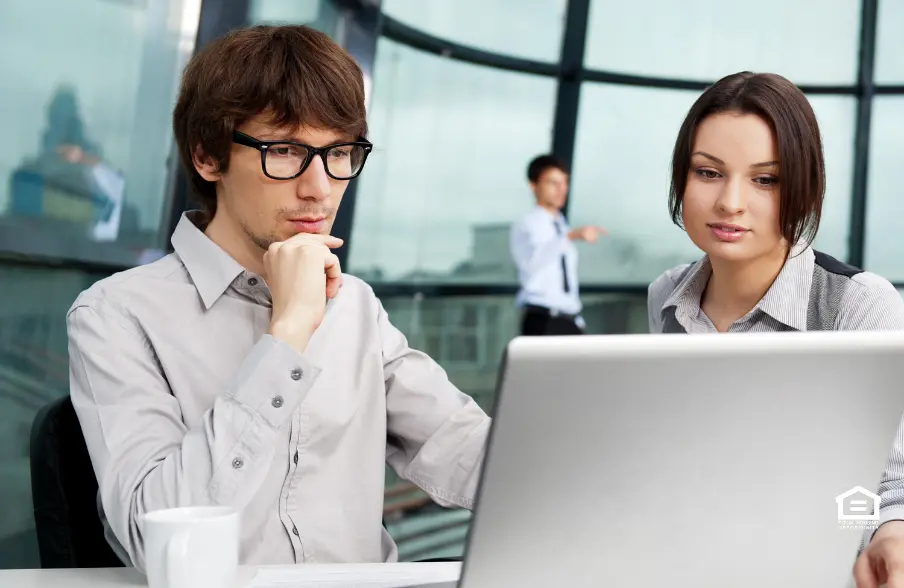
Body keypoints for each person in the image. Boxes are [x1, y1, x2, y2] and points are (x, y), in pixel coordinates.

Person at [66, 25, 490, 571]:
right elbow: (164, 544)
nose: (320, 187)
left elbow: (468, 452)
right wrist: (287, 332)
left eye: (339, 153)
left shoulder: (355, 304)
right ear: (207, 157)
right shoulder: (115, 316)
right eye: (285, 151)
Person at [647, 71, 904, 588]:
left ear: (802, 187)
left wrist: (898, 537)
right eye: (708, 172)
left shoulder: (858, 303)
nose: (730, 202)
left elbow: (900, 482)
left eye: (766, 179)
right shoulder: (666, 299)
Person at [510, 155, 606, 335]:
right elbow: (531, 265)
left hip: (568, 319)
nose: (562, 189)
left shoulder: (561, 225)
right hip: (543, 319)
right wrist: (570, 236)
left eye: (564, 183)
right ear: (534, 185)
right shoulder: (527, 224)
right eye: (553, 183)